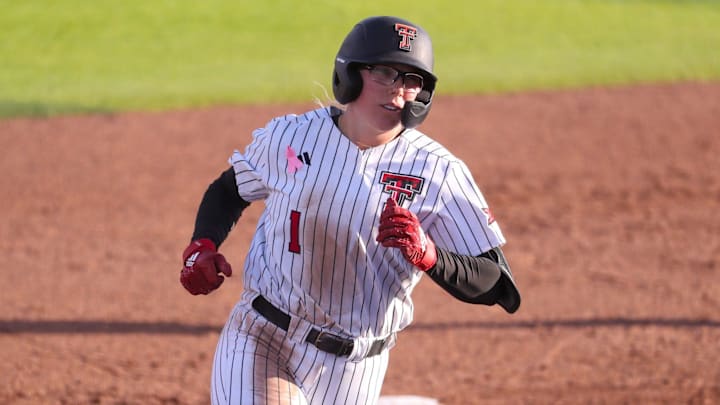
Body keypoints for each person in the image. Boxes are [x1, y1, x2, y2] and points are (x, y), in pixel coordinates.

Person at [179, 15, 521, 405]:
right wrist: (202, 244)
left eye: (412, 80)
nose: (399, 90)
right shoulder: (293, 137)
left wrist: (431, 256)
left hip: (357, 367)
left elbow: (497, 284)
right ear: (353, 73)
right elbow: (229, 190)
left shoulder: (439, 172)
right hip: (263, 337)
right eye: (387, 73)